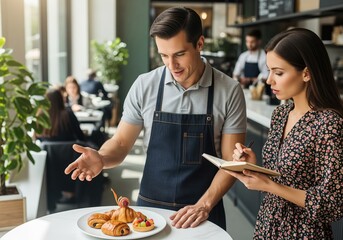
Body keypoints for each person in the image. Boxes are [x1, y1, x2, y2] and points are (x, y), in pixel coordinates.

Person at [65, 7, 246, 230]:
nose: (172, 65)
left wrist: (204, 205)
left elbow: (231, 162)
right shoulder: (145, 85)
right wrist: (101, 158)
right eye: (164, 55)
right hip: (150, 211)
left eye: (179, 54)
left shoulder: (229, 91)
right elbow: (121, 143)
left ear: (200, 44)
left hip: (203, 213)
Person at [228, 28, 343, 239]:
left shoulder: (328, 124)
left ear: (306, 73)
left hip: (304, 233)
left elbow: (332, 204)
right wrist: (255, 167)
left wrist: (269, 185)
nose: (269, 80)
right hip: (267, 226)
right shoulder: (281, 114)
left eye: (278, 72)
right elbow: (279, 178)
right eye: (269, 70)